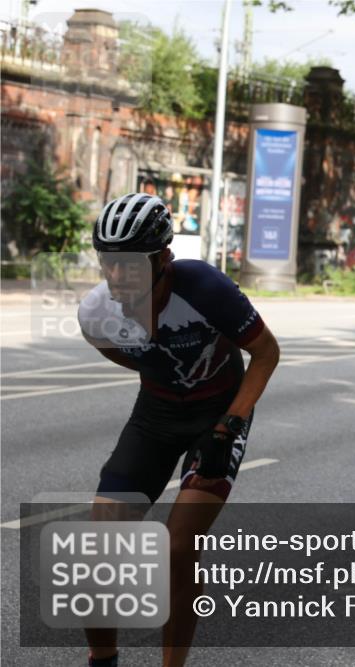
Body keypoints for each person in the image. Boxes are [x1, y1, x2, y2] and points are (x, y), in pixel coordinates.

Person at [77, 193, 281, 667]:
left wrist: (229, 424)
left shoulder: (206, 287)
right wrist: (171, 381)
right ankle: (102, 659)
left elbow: (267, 354)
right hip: (156, 415)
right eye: (108, 262)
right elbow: (131, 360)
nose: (116, 276)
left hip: (219, 415)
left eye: (130, 264)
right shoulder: (95, 314)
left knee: (179, 546)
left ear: (164, 258)